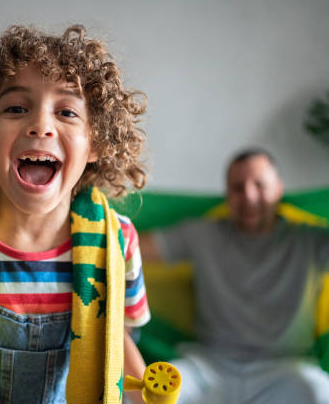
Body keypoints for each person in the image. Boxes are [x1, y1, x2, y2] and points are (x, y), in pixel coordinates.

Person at [0, 24, 152, 404]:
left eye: (67, 111)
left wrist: (150, 391)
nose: (40, 125)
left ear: (97, 143)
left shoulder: (119, 240)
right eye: (16, 108)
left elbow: (120, 336)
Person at [140, 149, 329, 403]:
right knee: (148, 396)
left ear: (279, 189)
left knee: (320, 394)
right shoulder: (203, 235)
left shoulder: (308, 239)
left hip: (287, 370)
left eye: (259, 185)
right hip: (208, 368)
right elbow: (130, 247)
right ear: (227, 194)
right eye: (238, 187)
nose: (249, 195)